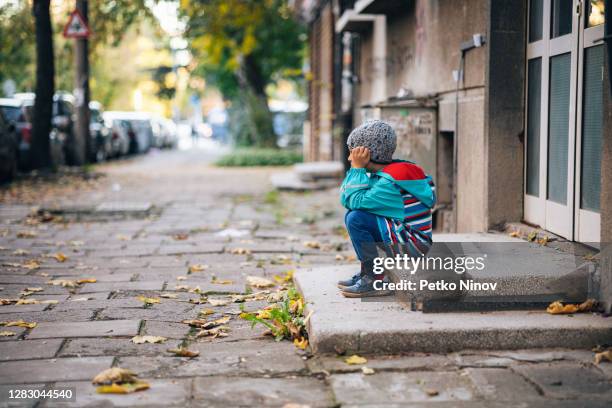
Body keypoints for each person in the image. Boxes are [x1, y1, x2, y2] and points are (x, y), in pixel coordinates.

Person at [339, 120, 436, 297]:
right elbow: (346, 198)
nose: (349, 158)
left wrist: (356, 170)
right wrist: (358, 170)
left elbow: (353, 200)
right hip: (409, 238)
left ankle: (375, 279)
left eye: (352, 152)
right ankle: (367, 272)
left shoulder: (390, 182)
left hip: (413, 245)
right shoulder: (388, 174)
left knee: (356, 218)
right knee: (353, 215)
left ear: (366, 152)